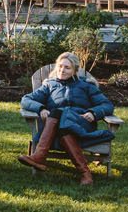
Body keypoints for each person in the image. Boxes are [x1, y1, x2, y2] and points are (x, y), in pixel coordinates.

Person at [19, 51, 114, 185]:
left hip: (81, 124)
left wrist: (93, 113)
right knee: (61, 122)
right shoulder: (49, 86)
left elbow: (107, 105)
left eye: (67, 67)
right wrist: (41, 108)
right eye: (60, 66)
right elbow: (26, 100)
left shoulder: (86, 86)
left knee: (57, 113)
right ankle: (85, 175)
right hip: (59, 128)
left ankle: (39, 156)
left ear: (75, 70)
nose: (62, 70)